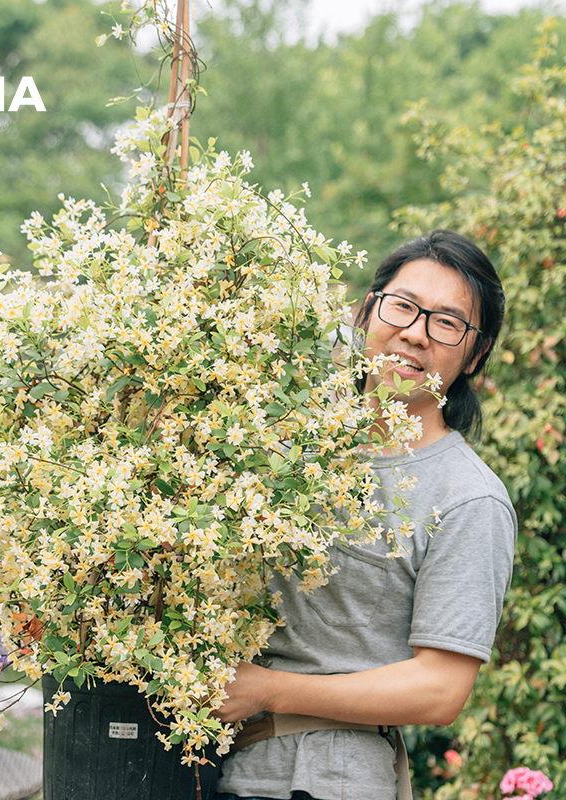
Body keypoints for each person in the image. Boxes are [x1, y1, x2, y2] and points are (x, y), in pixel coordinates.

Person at [213, 229, 518, 800]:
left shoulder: (468, 497)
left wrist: (266, 691)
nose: (414, 333)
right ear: (365, 310)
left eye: (447, 322)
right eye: (402, 306)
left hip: (323, 780)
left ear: (474, 353)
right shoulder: (283, 437)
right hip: (206, 763)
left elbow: (439, 690)